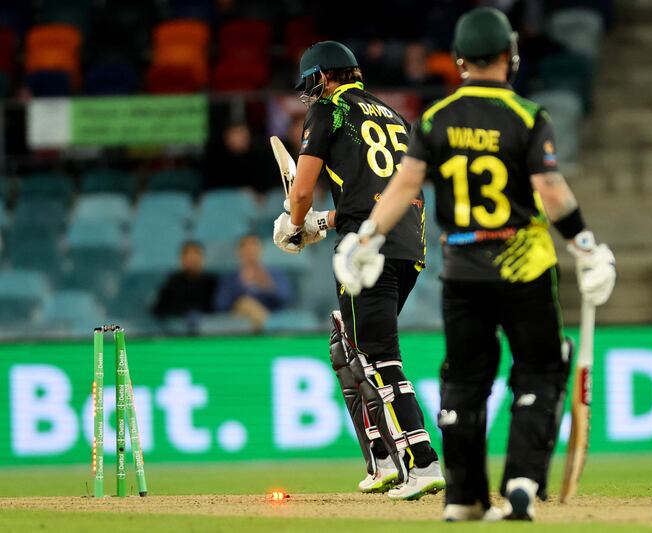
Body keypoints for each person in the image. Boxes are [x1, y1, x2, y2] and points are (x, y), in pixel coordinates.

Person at [332, 7, 616, 522]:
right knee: (538, 372)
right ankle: (523, 482)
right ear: (510, 56)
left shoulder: (437, 118)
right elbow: (550, 191)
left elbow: (404, 187)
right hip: (524, 265)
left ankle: (463, 496)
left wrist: (366, 239)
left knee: (463, 382)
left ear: (459, 60)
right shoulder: (529, 116)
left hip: (462, 269)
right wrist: (587, 245)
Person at [272, 40, 445, 500]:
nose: (309, 94)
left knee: (377, 357)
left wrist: (294, 225)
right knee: (349, 347)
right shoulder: (393, 116)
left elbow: (303, 190)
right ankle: (384, 459)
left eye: (311, 84)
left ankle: (423, 464)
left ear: (323, 77)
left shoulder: (329, 111)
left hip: (364, 251)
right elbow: (370, 194)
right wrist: (319, 224)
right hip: (408, 243)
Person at [214, 234, 293, 330]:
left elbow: (285, 299)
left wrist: (267, 285)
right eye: (246, 248)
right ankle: (271, 331)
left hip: (270, 313)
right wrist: (241, 284)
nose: (250, 251)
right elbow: (221, 305)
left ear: (261, 250)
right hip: (239, 316)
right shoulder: (230, 278)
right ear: (239, 252)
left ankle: (263, 326)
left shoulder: (275, 274)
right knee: (245, 303)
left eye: (254, 247)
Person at [153, 241, 218, 319]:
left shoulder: (212, 282)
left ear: (202, 258)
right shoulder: (172, 283)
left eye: (196, 254)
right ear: (181, 259)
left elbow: (218, 309)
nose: (191, 259)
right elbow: (158, 309)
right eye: (187, 255)